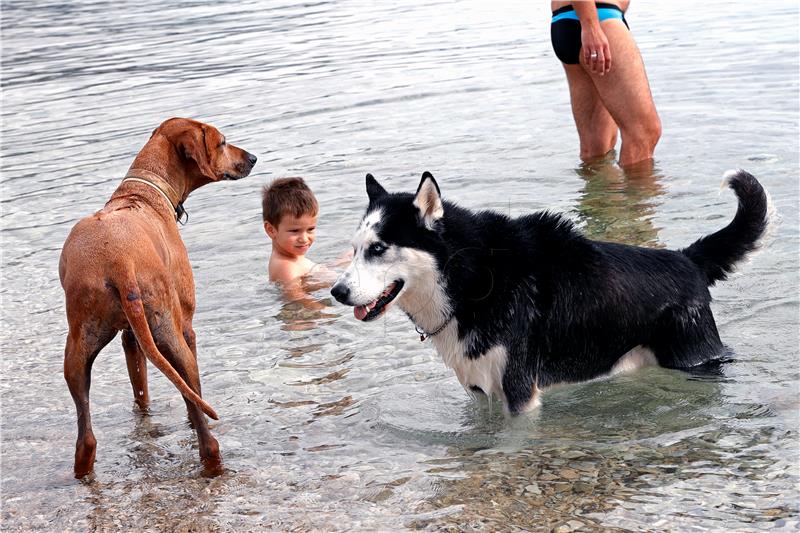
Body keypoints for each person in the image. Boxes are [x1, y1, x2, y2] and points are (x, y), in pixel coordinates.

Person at [550, 1, 661, 168]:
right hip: (597, 18)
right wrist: (590, 26)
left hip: (570, 19)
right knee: (644, 133)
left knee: (596, 149)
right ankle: (641, 193)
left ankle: (601, 195)